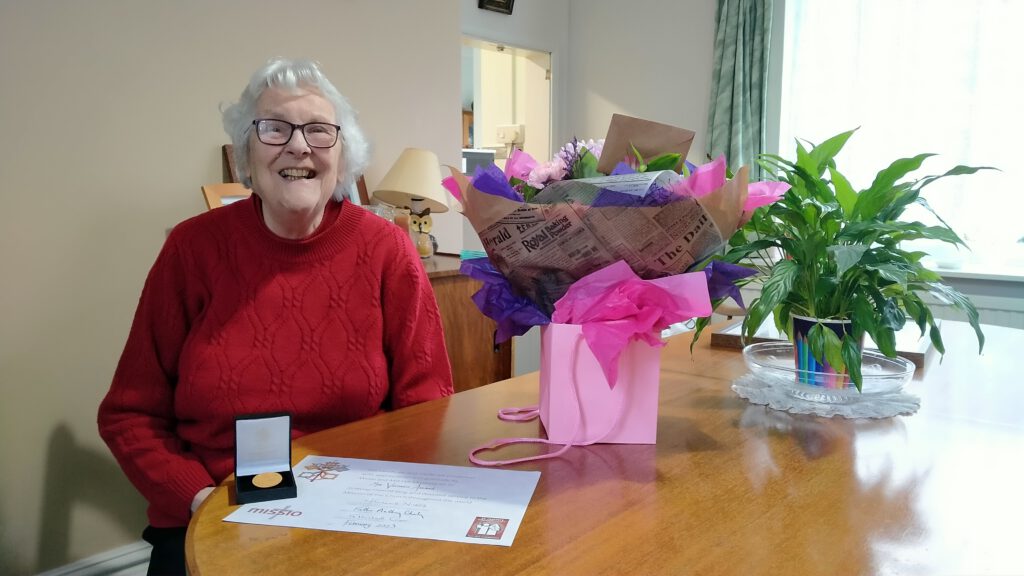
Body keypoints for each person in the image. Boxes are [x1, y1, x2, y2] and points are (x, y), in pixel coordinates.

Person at [98, 58, 453, 574]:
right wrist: (198, 499)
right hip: (213, 512)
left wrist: (379, 505)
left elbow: (425, 407)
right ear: (246, 154)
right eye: (274, 128)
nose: (299, 146)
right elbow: (129, 415)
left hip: (353, 514)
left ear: (344, 155)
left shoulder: (388, 250)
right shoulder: (192, 248)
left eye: (319, 130)